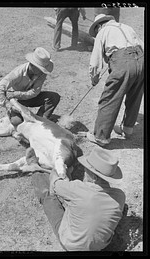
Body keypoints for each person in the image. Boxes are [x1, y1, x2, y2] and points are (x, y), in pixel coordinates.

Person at [32, 146, 126, 251]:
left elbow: (55, 184)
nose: (85, 171)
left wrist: (57, 169)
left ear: (94, 177)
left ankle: (33, 167)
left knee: (49, 198)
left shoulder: (78, 188)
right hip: (100, 247)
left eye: (87, 169)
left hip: (72, 245)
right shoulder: (120, 196)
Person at [84, 14, 144, 146]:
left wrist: (94, 79)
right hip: (141, 59)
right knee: (135, 96)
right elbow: (141, 45)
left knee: (109, 98)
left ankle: (101, 136)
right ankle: (128, 129)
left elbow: (95, 62)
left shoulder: (103, 31)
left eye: (96, 31)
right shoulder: (127, 27)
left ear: (99, 26)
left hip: (123, 61)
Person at [0, 47, 60, 126]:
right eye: (41, 69)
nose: (42, 72)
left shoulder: (41, 73)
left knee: (54, 97)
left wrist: (15, 94)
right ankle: (14, 114)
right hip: (16, 101)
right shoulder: (17, 73)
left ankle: (40, 121)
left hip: (27, 97)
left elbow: (34, 92)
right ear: (32, 65)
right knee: (16, 121)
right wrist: (9, 105)